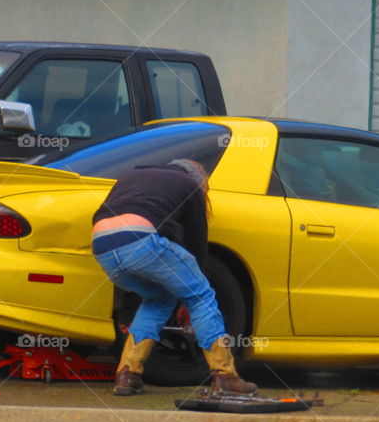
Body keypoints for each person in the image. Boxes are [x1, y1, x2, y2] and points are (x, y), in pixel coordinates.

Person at [91, 158, 258, 397]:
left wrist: (126, 312)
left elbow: (125, 247)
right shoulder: (189, 185)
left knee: (158, 299)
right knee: (201, 296)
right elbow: (196, 245)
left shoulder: (130, 177)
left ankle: (128, 374)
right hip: (141, 239)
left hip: (102, 246)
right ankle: (225, 376)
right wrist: (188, 301)